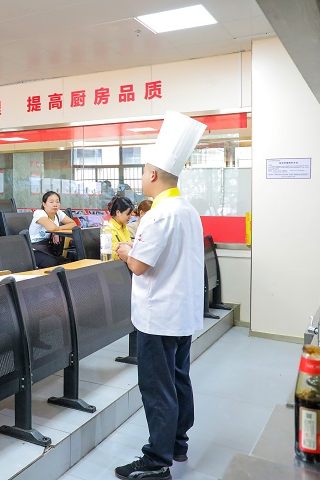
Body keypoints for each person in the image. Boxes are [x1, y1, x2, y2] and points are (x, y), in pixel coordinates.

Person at [114, 111, 206, 480]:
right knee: (179, 378)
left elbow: (139, 266)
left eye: (142, 172)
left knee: (157, 387)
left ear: (152, 175)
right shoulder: (188, 211)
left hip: (157, 317)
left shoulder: (157, 214)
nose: (141, 178)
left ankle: (156, 460)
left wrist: (126, 251)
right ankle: (178, 443)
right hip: (182, 314)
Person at [28, 191, 76, 268]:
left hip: (49, 248)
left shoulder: (58, 213)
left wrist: (58, 229)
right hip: (34, 250)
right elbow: (51, 228)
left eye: (57, 202)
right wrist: (55, 231)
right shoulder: (39, 213)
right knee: (53, 264)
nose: (55, 204)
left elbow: (73, 224)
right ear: (44, 204)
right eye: (51, 202)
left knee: (67, 262)